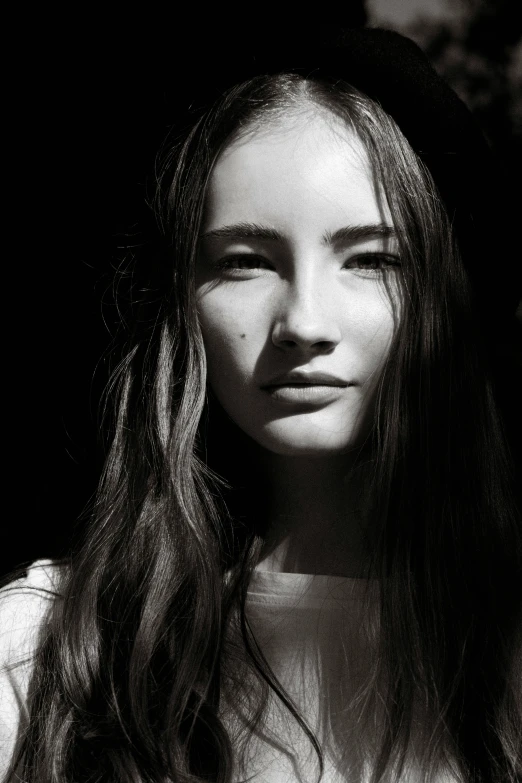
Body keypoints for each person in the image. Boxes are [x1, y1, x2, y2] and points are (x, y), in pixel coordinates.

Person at [1, 27, 521, 783]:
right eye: (245, 261)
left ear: (444, 294)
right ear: (179, 299)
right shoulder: (47, 649)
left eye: (372, 259)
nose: (305, 322)